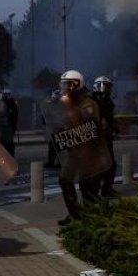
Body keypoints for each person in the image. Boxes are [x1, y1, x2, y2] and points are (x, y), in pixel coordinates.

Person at [55, 70, 103, 225]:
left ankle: (91, 218)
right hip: (74, 150)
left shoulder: (87, 103)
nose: (64, 88)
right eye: (63, 84)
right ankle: (75, 213)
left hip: (87, 150)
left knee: (87, 186)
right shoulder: (68, 103)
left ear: (76, 84)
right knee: (65, 179)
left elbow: (91, 126)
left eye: (67, 84)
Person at [92, 75, 119, 197]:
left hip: (107, 138)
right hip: (96, 140)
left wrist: (114, 127)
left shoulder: (108, 102)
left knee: (111, 166)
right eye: (103, 86)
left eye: (107, 86)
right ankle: (95, 192)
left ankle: (106, 189)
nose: (105, 88)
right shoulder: (92, 102)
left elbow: (109, 118)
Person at [0, 89, 19, 156]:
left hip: (8, 126)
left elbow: (14, 116)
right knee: (6, 143)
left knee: (7, 143)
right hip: (5, 126)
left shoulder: (11, 105)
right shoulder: (7, 104)